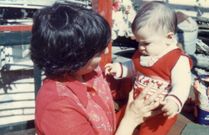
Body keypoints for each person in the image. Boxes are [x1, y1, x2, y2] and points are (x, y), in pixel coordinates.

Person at [31, 2, 163, 135]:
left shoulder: (89, 72)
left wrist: (149, 77)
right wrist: (131, 119)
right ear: (75, 57)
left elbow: (116, 87)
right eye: (98, 51)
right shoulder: (58, 106)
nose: (106, 51)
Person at [105, 1, 192, 135]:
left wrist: (173, 101)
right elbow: (134, 67)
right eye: (138, 42)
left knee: (150, 132)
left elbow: (182, 84)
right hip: (135, 104)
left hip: (158, 110)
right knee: (117, 123)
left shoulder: (178, 60)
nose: (140, 47)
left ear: (168, 37)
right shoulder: (144, 53)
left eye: (146, 43)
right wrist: (120, 68)